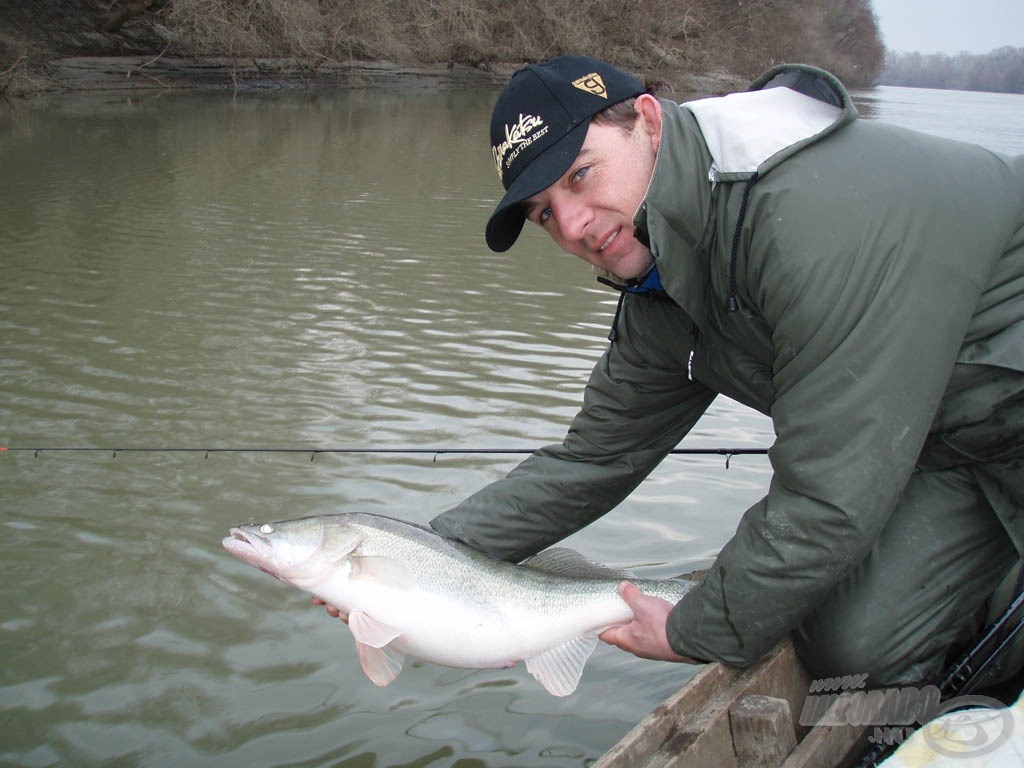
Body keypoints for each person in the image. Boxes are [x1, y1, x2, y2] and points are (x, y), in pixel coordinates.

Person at [323, 55, 1024, 688]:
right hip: (943, 445)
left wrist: (699, 628)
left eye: (580, 175)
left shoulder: (808, 217)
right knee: (849, 647)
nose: (571, 225)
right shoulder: (659, 285)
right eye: (543, 214)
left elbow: (827, 498)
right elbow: (593, 462)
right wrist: (413, 558)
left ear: (648, 123)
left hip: (1005, 409)